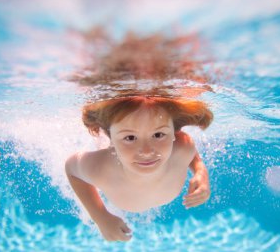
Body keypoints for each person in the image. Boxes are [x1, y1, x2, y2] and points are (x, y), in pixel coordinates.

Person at [65, 93, 213, 242]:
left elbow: (189, 148)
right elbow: (71, 169)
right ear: (112, 139)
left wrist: (201, 171)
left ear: (174, 134)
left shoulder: (182, 148)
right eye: (130, 138)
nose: (147, 152)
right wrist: (101, 217)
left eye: (158, 134)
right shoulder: (102, 168)